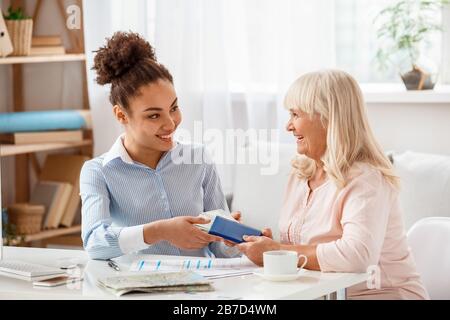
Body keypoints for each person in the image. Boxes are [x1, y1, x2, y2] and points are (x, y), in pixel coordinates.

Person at [237, 69, 429, 299]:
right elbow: (302, 250)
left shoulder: (366, 178)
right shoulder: (302, 172)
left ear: (327, 118)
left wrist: (278, 252)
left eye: (295, 115)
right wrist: (268, 246)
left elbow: (357, 255)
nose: (288, 126)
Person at [80, 32, 239, 260]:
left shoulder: (198, 158)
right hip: (139, 289)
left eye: (173, 108)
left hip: (200, 288)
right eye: (154, 116)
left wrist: (235, 240)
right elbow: (95, 243)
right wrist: (161, 231)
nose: (170, 123)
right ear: (121, 115)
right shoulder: (98, 172)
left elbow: (220, 249)